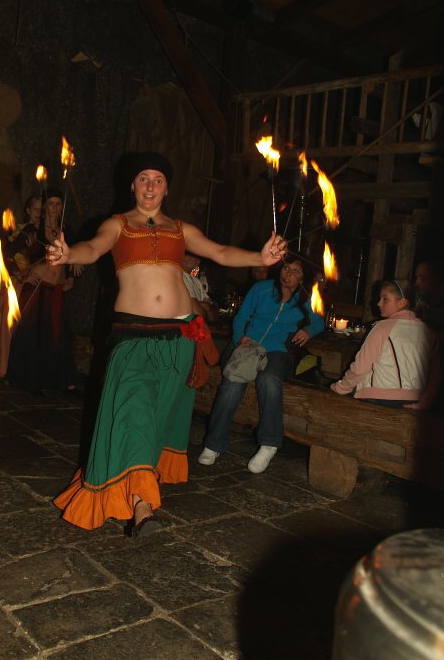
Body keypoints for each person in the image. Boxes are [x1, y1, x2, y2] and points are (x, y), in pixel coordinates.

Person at [47, 152, 286, 534]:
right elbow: (92, 248)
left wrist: (260, 255)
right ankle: (142, 503)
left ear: (167, 188)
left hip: (177, 339)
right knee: (135, 411)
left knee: (154, 419)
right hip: (134, 337)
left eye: (157, 180)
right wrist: (68, 252)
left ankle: (134, 489)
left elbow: (220, 252)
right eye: (144, 178)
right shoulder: (118, 224)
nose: (150, 186)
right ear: (133, 185)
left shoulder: (180, 229)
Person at [198, 256, 325, 473]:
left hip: (276, 350)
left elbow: (319, 321)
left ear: (303, 278)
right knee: (231, 385)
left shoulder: (306, 299)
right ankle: (214, 444)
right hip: (248, 344)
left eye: (295, 272)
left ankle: (269, 443)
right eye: (286, 268)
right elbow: (241, 317)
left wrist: (308, 330)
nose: (288, 275)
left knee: (270, 380)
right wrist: (240, 338)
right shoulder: (261, 289)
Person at [6, 189, 79, 394]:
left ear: (62, 207)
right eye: (51, 204)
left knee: (58, 333)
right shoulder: (34, 230)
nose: (54, 207)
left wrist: (72, 277)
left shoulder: (66, 230)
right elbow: (7, 252)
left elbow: (74, 256)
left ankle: (63, 381)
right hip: (37, 287)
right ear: (45, 207)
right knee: (33, 335)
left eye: (58, 204)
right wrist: (20, 275)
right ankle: (29, 379)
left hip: (57, 289)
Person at [330, 278, 436, 407]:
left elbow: (360, 368)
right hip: (416, 399)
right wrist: (425, 402)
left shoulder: (383, 328)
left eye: (385, 299)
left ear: (402, 302)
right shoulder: (429, 332)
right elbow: (436, 375)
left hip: (380, 397)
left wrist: (340, 388)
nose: (379, 303)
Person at [0, 194, 42, 376]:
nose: (39, 213)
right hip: (16, 283)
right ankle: (4, 368)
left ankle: (13, 367)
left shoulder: (38, 231)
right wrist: (19, 275)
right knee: (9, 327)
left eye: (41, 210)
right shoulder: (27, 231)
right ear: (28, 210)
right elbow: (7, 254)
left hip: (25, 281)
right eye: (35, 209)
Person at [182, 251, 218, 323]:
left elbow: (215, 316)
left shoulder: (196, 281)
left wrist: (207, 307)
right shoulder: (179, 276)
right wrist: (206, 308)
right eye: (190, 254)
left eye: (198, 255)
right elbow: (196, 313)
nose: (195, 257)